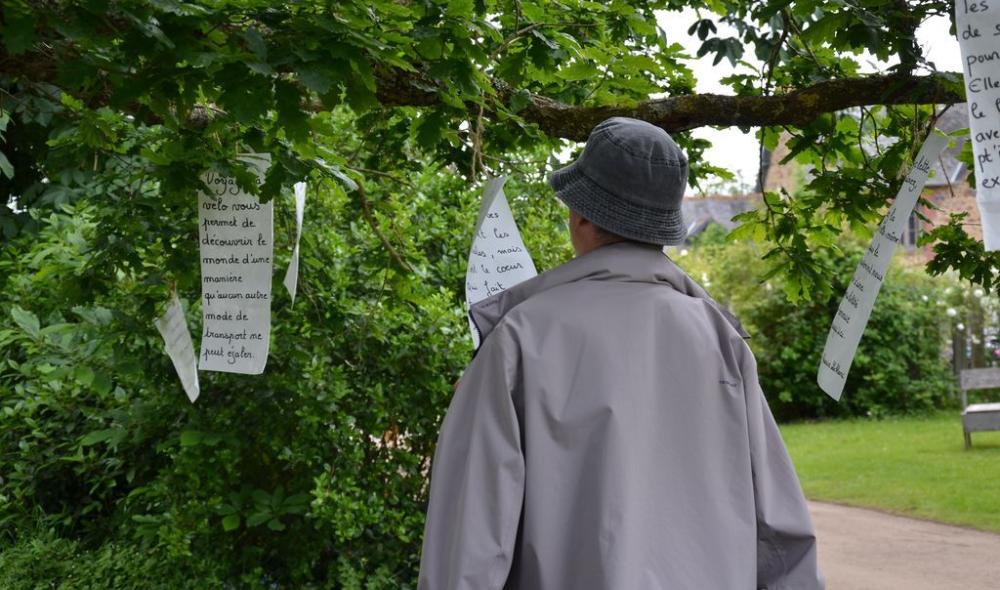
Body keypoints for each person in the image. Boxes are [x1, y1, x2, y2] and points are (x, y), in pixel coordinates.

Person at [418, 117, 823, 590]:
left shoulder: (519, 338)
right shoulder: (720, 341)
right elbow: (778, 531)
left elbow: (470, 543)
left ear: (582, 216)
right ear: (663, 228)